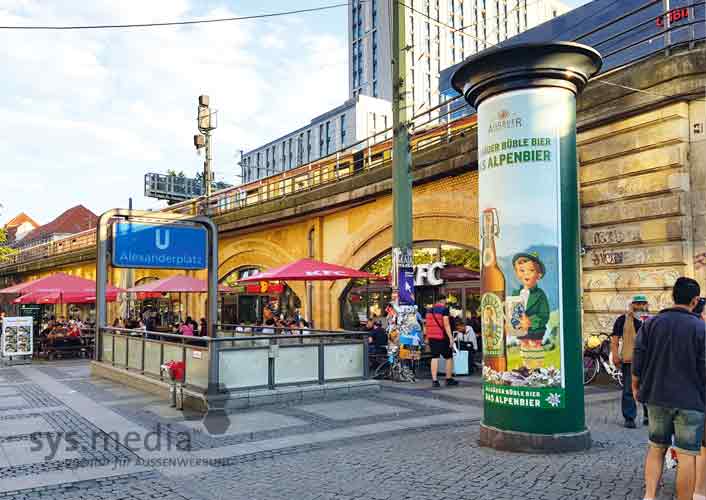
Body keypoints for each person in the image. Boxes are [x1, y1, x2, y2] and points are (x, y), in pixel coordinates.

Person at [632, 277, 705, 500]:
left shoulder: (651, 323)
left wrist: (636, 385)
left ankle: (650, 496)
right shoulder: (701, 328)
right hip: (691, 400)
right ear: (694, 301)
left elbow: (638, 357)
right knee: (686, 455)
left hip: (656, 397)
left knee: (656, 448)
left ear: (673, 296)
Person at [611, 294, 650, 429]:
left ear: (646, 305)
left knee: (648, 388)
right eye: (637, 304)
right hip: (629, 359)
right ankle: (629, 417)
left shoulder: (650, 320)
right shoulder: (622, 320)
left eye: (642, 304)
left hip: (648, 360)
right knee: (628, 389)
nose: (640, 306)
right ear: (632, 305)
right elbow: (615, 339)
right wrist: (615, 355)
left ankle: (648, 416)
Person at [511, 253, 550, 370]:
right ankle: (526, 368)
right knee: (524, 345)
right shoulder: (516, 293)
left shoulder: (540, 294)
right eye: (522, 270)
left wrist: (531, 321)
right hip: (521, 329)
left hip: (536, 328)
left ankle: (536, 368)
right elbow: (515, 313)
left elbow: (544, 315)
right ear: (517, 273)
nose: (526, 274)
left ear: (539, 275)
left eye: (531, 270)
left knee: (534, 345)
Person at [425, 294, 458, 388]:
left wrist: (427, 337)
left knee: (434, 357)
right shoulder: (444, 309)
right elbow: (446, 324)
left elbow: (426, 325)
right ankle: (448, 379)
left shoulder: (429, 310)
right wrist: (451, 338)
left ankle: (434, 381)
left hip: (432, 337)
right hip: (442, 337)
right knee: (448, 357)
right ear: (443, 300)